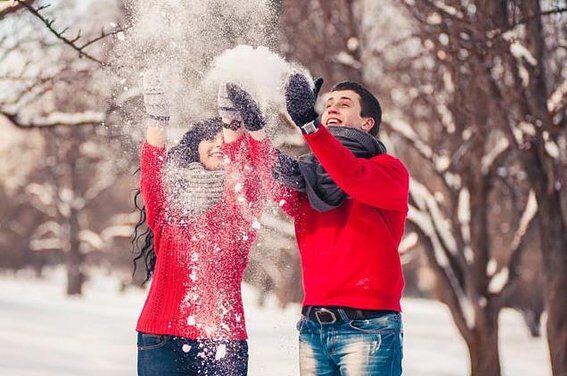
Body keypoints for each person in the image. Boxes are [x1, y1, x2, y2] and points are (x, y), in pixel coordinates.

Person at [131, 69, 273, 376]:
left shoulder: (239, 206)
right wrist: (157, 123)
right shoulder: (171, 209)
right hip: (160, 339)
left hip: (223, 341)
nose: (218, 142)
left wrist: (234, 126)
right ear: (195, 148)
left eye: (223, 137)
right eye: (211, 137)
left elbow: (258, 175)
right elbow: (152, 176)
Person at [274, 73, 409, 375]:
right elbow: (267, 185)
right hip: (313, 327)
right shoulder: (307, 178)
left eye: (344, 104)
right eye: (329, 103)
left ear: (367, 123)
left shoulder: (389, 171)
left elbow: (350, 176)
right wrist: (251, 134)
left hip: (369, 327)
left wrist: (311, 126)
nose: (332, 108)